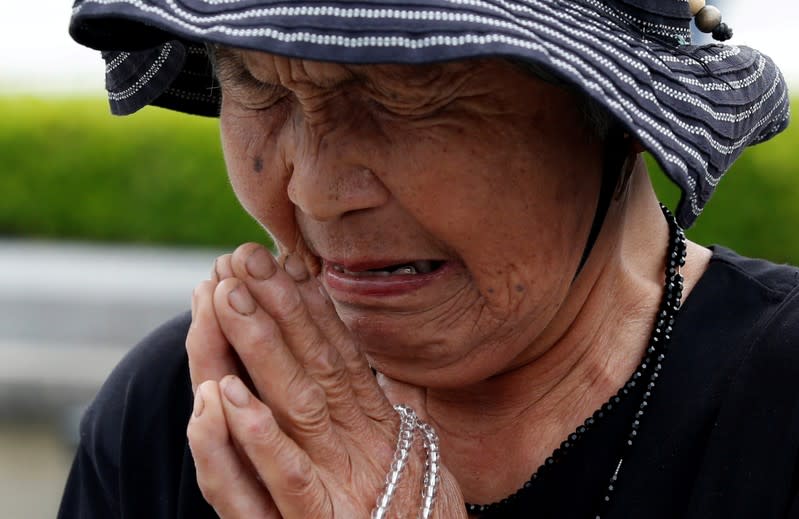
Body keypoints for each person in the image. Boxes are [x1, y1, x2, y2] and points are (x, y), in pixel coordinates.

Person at [59, 0, 797, 517]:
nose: (314, 192)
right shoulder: (178, 412)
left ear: (621, 117)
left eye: (406, 95)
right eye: (259, 86)